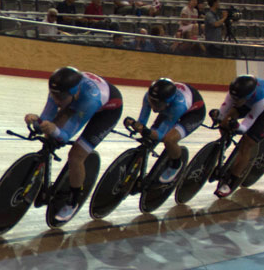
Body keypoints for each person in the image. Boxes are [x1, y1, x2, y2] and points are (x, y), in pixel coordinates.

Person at [23, 67, 123, 223]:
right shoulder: (59, 90)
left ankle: (73, 200)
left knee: (76, 156)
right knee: (50, 132)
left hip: (107, 111)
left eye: (61, 97)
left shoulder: (90, 100)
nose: (57, 101)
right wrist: (37, 121)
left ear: (75, 93)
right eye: (55, 96)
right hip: (78, 101)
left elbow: (65, 136)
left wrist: (55, 130)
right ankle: (41, 182)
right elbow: (46, 118)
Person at [211, 74, 264, 197]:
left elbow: (246, 125)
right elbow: (225, 109)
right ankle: (225, 144)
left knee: (247, 144)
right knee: (226, 121)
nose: (235, 101)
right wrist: (219, 118)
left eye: (238, 99)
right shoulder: (236, 92)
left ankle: (231, 181)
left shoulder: (262, 98)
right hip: (247, 103)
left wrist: (236, 126)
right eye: (234, 98)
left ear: (248, 96)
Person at [127, 78, 205, 183]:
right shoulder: (150, 97)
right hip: (169, 108)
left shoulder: (177, 106)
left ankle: (176, 165)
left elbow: (161, 135)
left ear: (168, 103)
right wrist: (138, 126)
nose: (154, 107)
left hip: (193, 114)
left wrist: (145, 131)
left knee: (169, 140)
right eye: (152, 102)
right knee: (148, 140)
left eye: (157, 105)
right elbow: (142, 122)